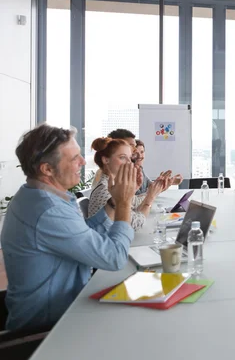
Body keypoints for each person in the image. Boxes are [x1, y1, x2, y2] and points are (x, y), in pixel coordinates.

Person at [1, 124, 137, 331]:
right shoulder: (48, 210)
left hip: (63, 313)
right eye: (74, 159)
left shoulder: (36, 195)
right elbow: (114, 257)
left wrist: (114, 202)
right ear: (47, 169)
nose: (83, 162)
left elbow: (83, 233)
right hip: (47, 331)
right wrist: (125, 203)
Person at [88, 137, 170, 232]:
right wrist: (150, 197)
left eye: (129, 158)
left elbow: (135, 205)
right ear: (106, 160)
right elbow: (136, 223)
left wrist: (154, 191)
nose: (129, 163)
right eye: (122, 157)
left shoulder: (114, 186)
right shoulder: (104, 191)